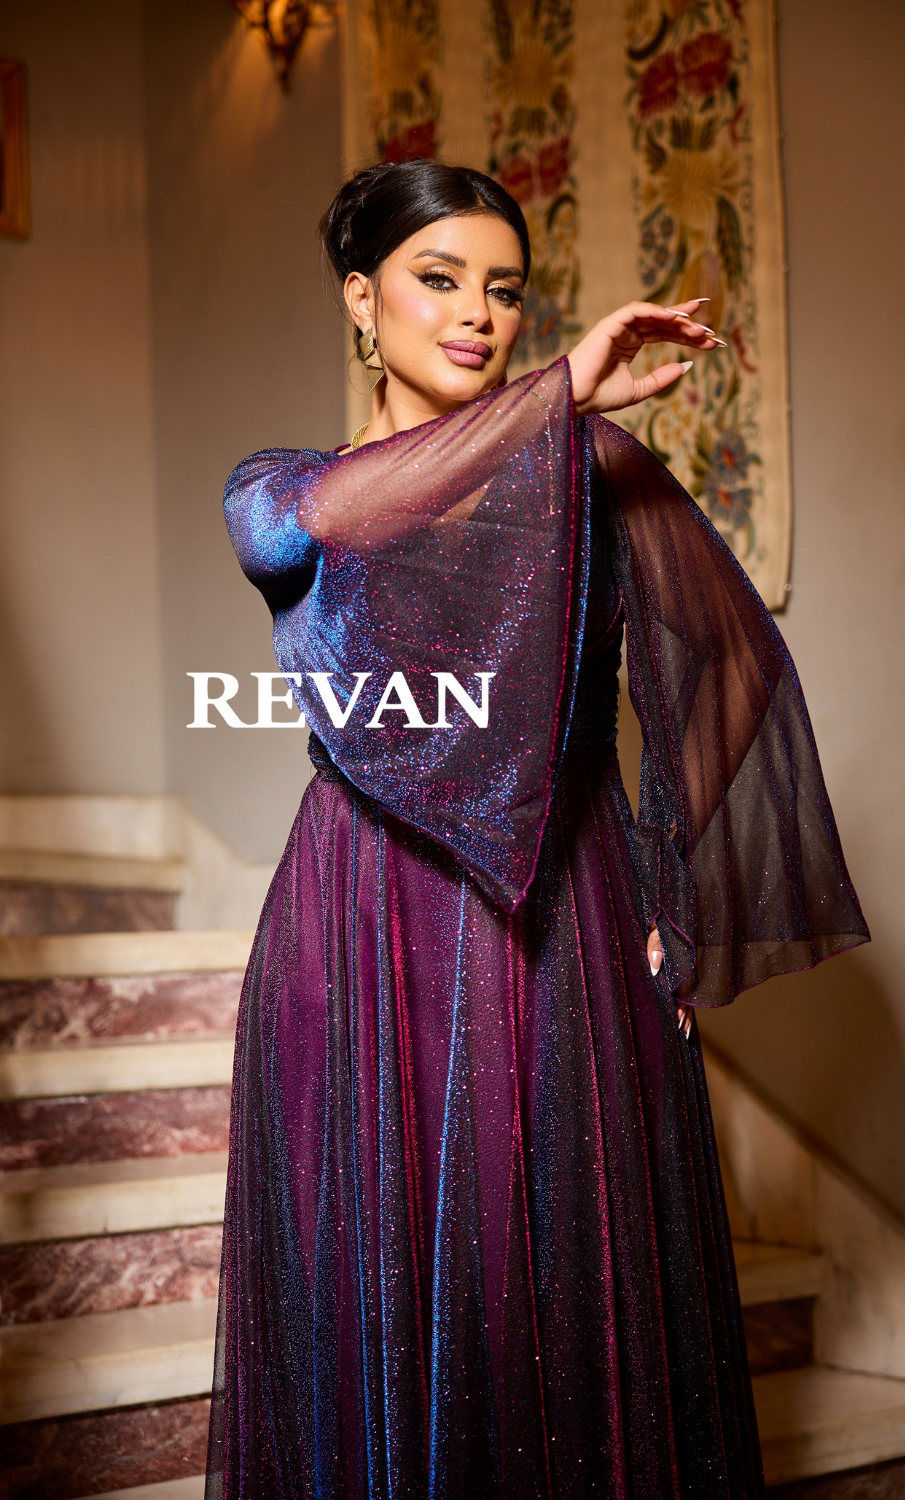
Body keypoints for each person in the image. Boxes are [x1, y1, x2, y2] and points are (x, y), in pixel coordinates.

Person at [208, 160, 868, 1500]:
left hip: (557, 921)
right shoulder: (282, 484)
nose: (480, 314)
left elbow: (732, 670)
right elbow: (328, 524)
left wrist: (668, 880)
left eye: (505, 291)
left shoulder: (596, 473)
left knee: (543, 1295)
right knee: (374, 1294)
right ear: (360, 297)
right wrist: (557, 391)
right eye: (439, 279)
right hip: (360, 924)